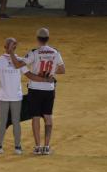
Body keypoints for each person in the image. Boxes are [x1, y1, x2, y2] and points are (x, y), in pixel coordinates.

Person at [0, 37, 55, 155]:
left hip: (3, 96)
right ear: (15, 47)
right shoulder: (20, 60)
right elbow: (30, 76)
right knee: (16, 121)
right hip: (16, 96)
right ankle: (18, 147)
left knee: (2, 122)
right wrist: (45, 79)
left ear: (4, 47)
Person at [9, 28, 65, 156]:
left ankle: (37, 147)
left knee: (36, 117)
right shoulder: (56, 52)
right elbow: (62, 70)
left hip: (35, 89)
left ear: (37, 38)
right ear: (48, 38)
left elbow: (17, 65)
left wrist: (12, 52)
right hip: (49, 89)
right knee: (48, 116)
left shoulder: (34, 53)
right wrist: (49, 73)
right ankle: (46, 146)